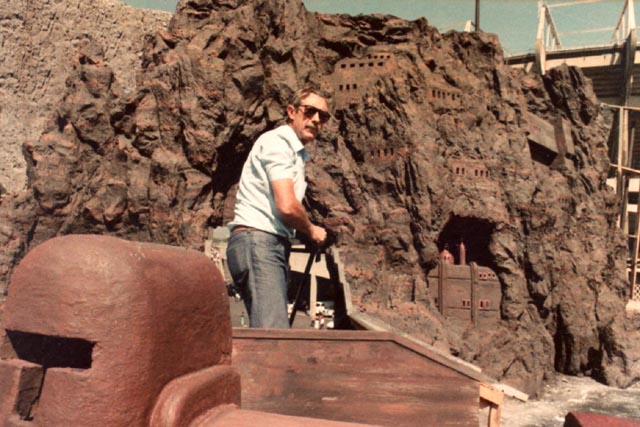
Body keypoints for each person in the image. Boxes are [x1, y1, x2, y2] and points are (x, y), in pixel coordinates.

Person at [226, 87, 330, 328]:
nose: (315, 120)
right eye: (310, 111)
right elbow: (287, 205)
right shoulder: (279, 143)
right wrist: (312, 230)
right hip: (259, 243)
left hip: (262, 244)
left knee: (270, 330)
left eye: (322, 116)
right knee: (272, 334)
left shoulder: (293, 152)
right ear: (292, 111)